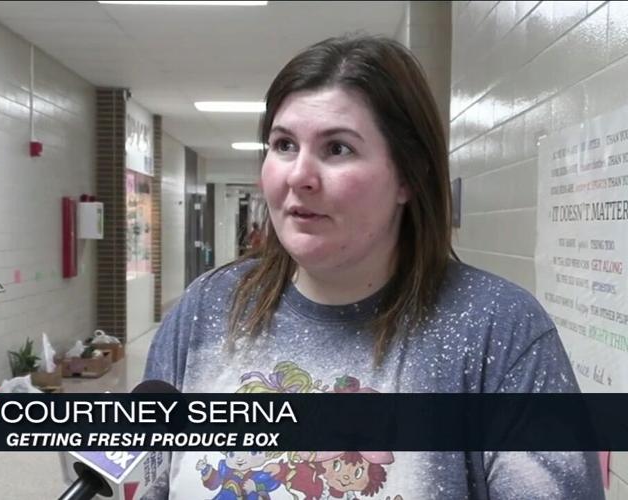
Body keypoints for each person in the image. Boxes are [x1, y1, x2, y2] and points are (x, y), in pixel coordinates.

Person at [144, 35, 604, 499]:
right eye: (284, 144)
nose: (299, 175)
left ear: (409, 176)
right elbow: (150, 480)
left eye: (337, 149)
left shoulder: (499, 328)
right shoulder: (210, 308)